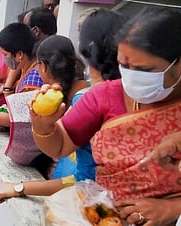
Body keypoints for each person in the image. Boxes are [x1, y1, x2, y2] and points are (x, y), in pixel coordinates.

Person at [30, 8, 181, 226]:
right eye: (125, 66)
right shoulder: (105, 95)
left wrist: (172, 208)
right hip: (104, 215)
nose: (132, 77)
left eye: (145, 70)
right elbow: (60, 145)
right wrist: (43, 126)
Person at [0, 8, 124, 201]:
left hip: (87, 205)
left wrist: (20, 187)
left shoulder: (88, 101)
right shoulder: (116, 97)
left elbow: (80, 179)